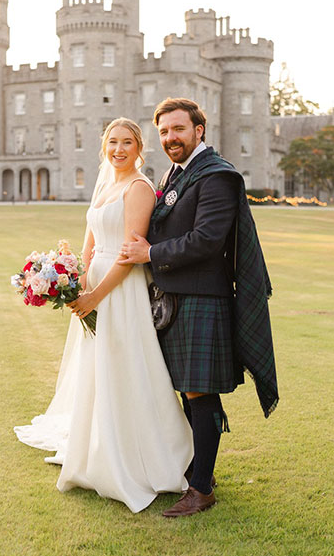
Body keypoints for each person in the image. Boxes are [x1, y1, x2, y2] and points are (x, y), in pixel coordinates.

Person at [14, 118, 193, 513]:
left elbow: (129, 255)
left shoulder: (139, 188)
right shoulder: (105, 184)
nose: (118, 149)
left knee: (124, 365)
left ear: (139, 148)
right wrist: (74, 281)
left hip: (120, 289)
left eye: (127, 142)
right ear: (104, 146)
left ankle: (139, 456)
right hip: (94, 285)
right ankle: (93, 446)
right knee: (96, 369)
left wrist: (96, 295)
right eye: (113, 142)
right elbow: (89, 243)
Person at [118, 98, 278, 518]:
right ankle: (198, 471)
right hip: (174, 298)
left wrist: (151, 253)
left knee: (199, 393)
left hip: (202, 298)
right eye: (164, 132)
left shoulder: (217, 175)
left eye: (178, 129)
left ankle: (201, 489)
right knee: (189, 393)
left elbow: (207, 239)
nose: (170, 138)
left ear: (198, 130)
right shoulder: (176, 173)